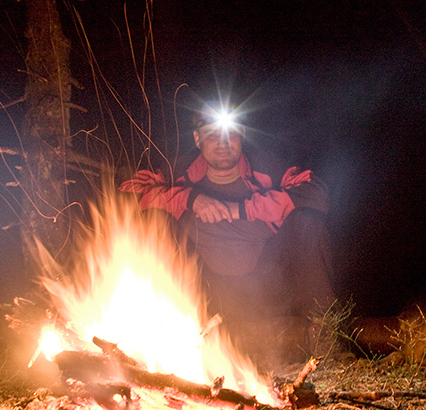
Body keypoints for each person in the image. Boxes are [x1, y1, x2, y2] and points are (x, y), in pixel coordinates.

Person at [120, 105, 335, 363]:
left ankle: (326, 337)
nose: (222, 143)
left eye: (230, 134)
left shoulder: (266, 168)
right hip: (206, 291)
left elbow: (316, 192)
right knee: (152, 220)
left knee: (306, 221)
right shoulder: (178, 172)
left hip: (267, 284)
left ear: (242, 134)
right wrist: (190, 199)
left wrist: (243, 208)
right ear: (197, 139)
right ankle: (161, 341)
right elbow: (127, 194)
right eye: (211, 134)